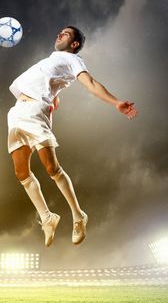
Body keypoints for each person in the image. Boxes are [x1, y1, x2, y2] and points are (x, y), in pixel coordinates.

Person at [7, 26, 138, 247]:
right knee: (21, 173)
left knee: (51, 168)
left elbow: (92, 84)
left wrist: (116, 102)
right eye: (59, 32)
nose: (59, 34)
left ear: (74, 44)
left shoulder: (72, 60)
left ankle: (79, 216)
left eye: (66, 34)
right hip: (16, 112)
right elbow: (52, 80)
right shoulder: (51, 60)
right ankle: (47, 218)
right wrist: (56, 94)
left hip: (35, 112)